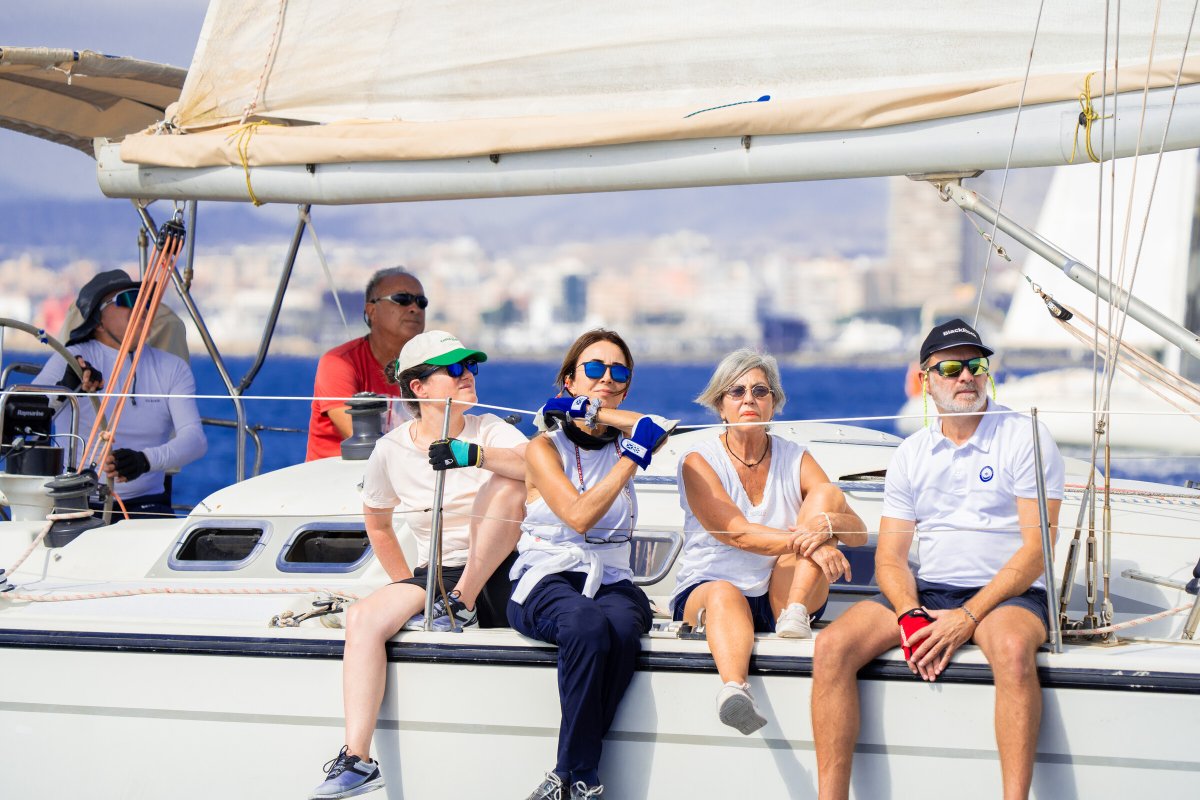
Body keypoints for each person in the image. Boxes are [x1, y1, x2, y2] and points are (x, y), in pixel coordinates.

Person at [811, 318, 1065, 800]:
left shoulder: (1024, 435)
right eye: (950, 368)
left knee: (1012, 650)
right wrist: (910, 613)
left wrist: (968, 617)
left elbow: (1038, 550)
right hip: (931, 592)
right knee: (832, 647)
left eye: (975, 365)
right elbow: (890, 558)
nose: (966, 376)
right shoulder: (912, 452)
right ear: (925, 381)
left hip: (1011, 595)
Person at [310, 330, 528, 799]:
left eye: (470, 366)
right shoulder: (391, 449)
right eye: (454, 369)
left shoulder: (490, 430)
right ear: (418, 387)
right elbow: (378, 524)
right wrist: (405, 586)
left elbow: (536, 466)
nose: (468, 375)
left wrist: (477, 457)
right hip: (439, 575)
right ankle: (357, 758)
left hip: (506, 564)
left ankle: (462, 604)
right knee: (362, 618)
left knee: (509, 480)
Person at [673, 348, 866, 735]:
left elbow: (858, 533)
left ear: (773, 403)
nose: (749, 399)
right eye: (737, 391)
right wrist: (815, 542)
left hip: (782, 596)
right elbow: (737, 534)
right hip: (711, 593)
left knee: (827, 495)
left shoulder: (796, 457)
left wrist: (827, 524)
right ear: (720, 406)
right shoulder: (698, 460)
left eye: (760, 391)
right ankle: (735, 690)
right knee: (725, 592)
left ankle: (796, 612)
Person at [514, 329, 673, 800]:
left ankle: (568, 776)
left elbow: (658, 425)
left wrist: (594, 410)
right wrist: (631, 458)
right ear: (569, 379)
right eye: (594, 368)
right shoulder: (543, 448)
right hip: (546, 577)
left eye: (618, 371)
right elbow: (579, 516)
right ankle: (580, 773)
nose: (607, 377)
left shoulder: (626, 438)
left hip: (613, 580)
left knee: (622, 629)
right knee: (585, 624)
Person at [33, 269, 206, 518]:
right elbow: (24, 416)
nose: (141, 308)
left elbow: (195, 440)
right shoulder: (70, 359)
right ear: (98, 319)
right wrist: (65, 389)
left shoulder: (173, 368)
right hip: (77, 503)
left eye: (145, 301)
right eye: (128, 299)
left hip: (147, 505)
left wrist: (144, 461)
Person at [306, 267, 427, 461]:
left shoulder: (430, 368)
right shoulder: (339, 363)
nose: (415, 308)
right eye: (402, 299)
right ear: (372, 311)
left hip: (404, 471)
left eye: (421, 302)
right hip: (339, 477)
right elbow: (361, 439)